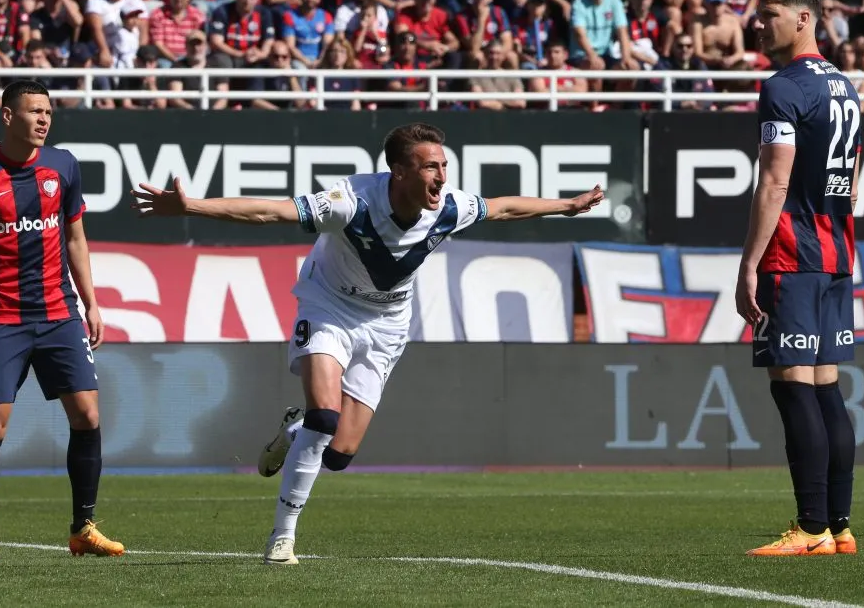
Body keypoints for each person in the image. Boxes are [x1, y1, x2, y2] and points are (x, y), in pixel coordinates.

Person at [131, 123, 604, 565]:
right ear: (399, 171)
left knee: (339, 453)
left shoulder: (450, 208)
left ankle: (292, 433)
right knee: (324, 417)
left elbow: (503, 208)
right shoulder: (350, 201)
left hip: (387, 324)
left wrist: (567, 205)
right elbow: (271, 211)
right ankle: (282, 536)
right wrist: (190, 207)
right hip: (329, 307)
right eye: (430, 167)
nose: (442, 176)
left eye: (444, 166)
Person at [0, 80, 124, 562]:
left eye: (48, 112)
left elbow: (76, 239)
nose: (44, 119)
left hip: (60, 312)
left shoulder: (63, 166)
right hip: (3, 317)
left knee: (88, 415)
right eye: (34, 111)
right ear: (8, 116)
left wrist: (92, 302)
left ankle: (83, 528)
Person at [735, 0, 859, 557]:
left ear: (804, 19)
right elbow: (850, 180)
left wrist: (749, 265)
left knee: (792, 387)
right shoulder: (846, 86)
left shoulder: (782, 87)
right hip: (835, 253)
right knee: (826, 387)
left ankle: (810, 528)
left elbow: (775, 182)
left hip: (792, 254)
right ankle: (838, 526)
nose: (759, 24)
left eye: (770, 14)